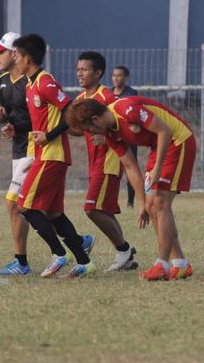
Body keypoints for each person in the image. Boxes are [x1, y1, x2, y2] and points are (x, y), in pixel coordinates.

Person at [66, 95, 195, 280]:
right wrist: (142, 203)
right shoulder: (110, 134)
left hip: (178, 140)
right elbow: (130, 166)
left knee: (160, 201)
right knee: (151, 206)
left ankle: (162, 264)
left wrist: (158, 168)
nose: (91, 134)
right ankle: (180, 263)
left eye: (89, 129)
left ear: (95, 119)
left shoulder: (127, 109)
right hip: (158, 148)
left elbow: (164, 131)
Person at [11, 33, 92, 278]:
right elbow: (39, 121)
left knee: (24, 206)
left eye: (16, 56)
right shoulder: (30, 84)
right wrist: (15, 127)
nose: (14, 60)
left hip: (52, 154)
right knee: (54, 213)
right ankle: (85, 262)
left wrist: (49, 136)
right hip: (46, 155)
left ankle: (58, 253)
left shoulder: (45, 82)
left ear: (27, 58)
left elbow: (70, 110)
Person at [73, 51, 137, 271]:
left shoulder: (107, 97)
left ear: (98, 73)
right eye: (78, 69)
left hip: (109, 160)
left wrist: (108, 137)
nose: (79, 73)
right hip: (94, 161)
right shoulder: (80, 99)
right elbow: (76, 128)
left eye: (84, 70)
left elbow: (123, 125)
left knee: (92, 209)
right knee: (105, 211)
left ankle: (123, 249)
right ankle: (126, 256)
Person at [0, 32, 35, 275]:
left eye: (0, 52)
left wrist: (16, 126)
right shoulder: (3, 79)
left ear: (15, 54)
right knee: (37, 207)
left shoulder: (33, 80)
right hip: (18, 147)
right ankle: (78, 241)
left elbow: (41, 118)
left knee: (13, 203)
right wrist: (1, 117)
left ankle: (21, 263)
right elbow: (9, 111)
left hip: (35, 147)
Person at [111, 65, 140, 207]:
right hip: (112, 135)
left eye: (119, 75)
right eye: (114, 75)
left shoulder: (131, 93)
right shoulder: (108, 93)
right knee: (112, 170)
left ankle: (130, 202)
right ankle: (110, 200)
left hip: (128, 137)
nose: (116, 78)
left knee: (131, 168)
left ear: (125, 77)